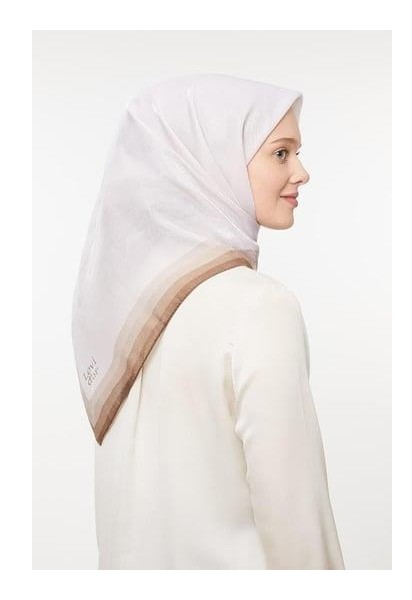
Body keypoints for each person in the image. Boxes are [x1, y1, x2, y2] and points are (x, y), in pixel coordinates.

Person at [72, 73, 345, 569]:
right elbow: (297, 529)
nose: (301, 172)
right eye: (280, 153)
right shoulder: (261, 309)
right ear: (213, 161)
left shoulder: (123, 322)